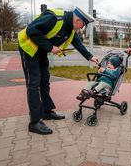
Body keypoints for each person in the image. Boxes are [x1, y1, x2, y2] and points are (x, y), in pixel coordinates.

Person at [18, 7, 99, 135]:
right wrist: (50, 47)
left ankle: (46, 112)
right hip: (28, 47)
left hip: (40, 50)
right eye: (83, 25)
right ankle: (34, 122)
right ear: (77, 20)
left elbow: (78, 44)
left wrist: (90, 57)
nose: (81, 28)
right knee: (34, 83)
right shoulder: (54, 18)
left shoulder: (70, 28)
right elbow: (31, 31)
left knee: (45, 80)